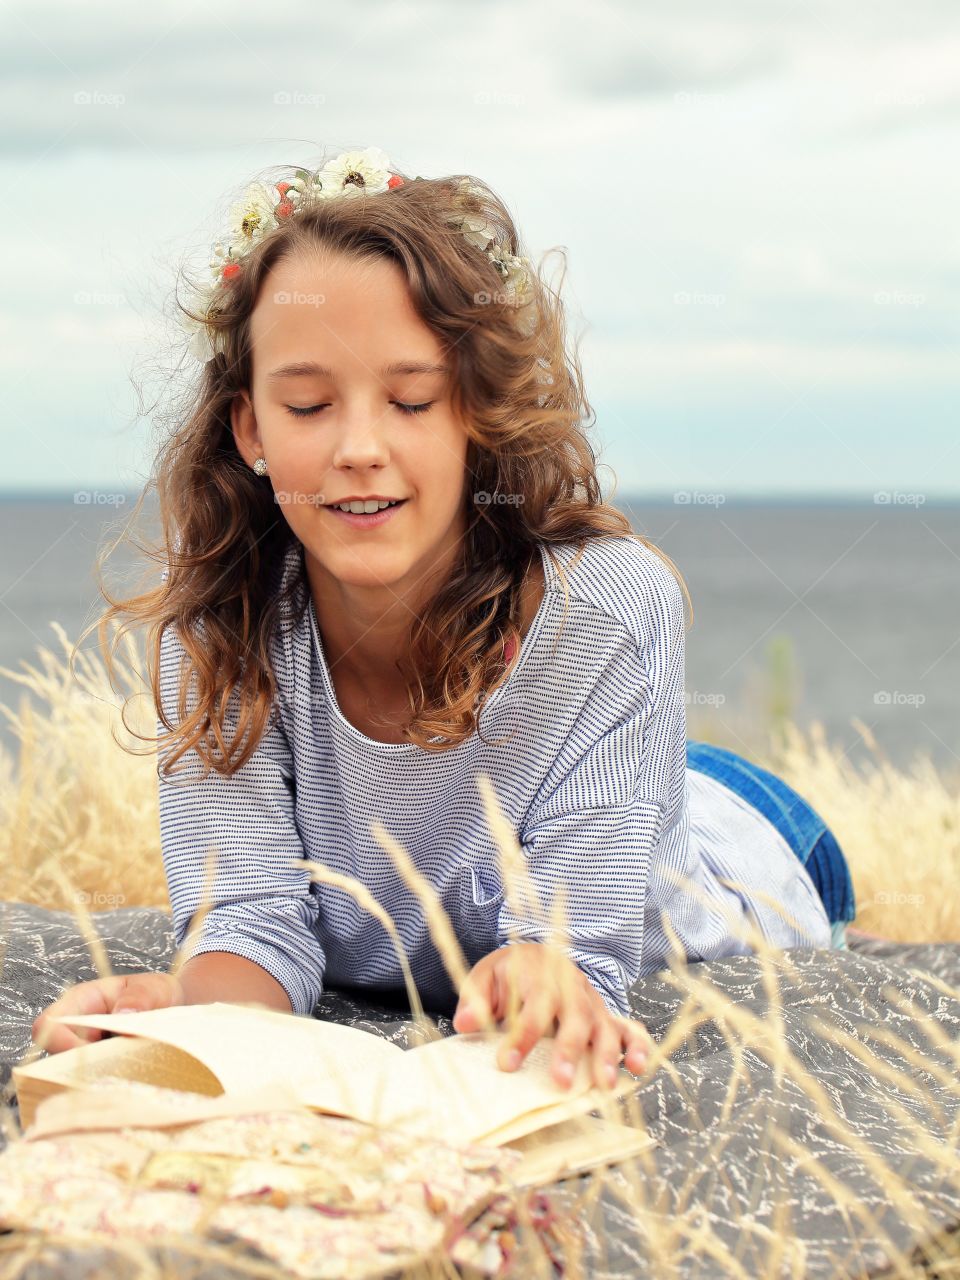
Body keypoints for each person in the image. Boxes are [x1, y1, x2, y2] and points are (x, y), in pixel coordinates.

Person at [32, 146, 856, 1093]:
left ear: (475, 412)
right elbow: (251, 922)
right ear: (251, 429)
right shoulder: (221, 630)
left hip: (748, 837)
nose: (359, 449)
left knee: (699, 819)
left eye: (412, 399)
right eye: (307, 404)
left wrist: (545, 969)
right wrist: (192, 1018)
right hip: (580, 795)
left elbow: (575, 952)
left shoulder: (609, 605)